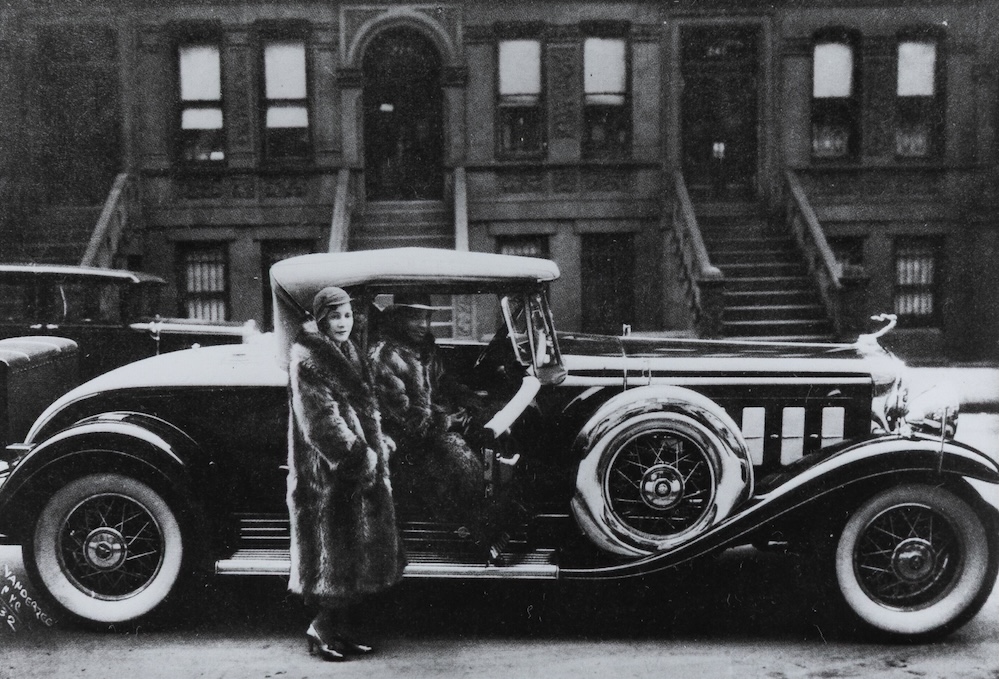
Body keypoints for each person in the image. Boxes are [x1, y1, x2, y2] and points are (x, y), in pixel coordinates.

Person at [286, 286, 405, 662]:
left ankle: (341, 630)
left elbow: (361, 409)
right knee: (331, 559)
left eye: (348, 316)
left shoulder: (349, 351)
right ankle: (320, 628)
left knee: (351, 557)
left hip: (354, 471)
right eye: (335, 316)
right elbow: (321, 423)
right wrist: (362, 459)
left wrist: (378, 440)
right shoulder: (309, 358)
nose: (343, 323)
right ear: (321, 319)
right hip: (328, 475)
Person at [368, 293, 514, 563]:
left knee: (488, 433)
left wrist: (469, 400)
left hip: (431, 428)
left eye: (426, 317)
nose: (423, 324)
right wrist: (448, 422)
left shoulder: (425, 348)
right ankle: (480, 536)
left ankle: (498, 524)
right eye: (414, 317)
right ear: (398, 318)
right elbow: (406, 418)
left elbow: (442, 381)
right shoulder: (385, 357)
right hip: (403, 440)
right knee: (461, 460)